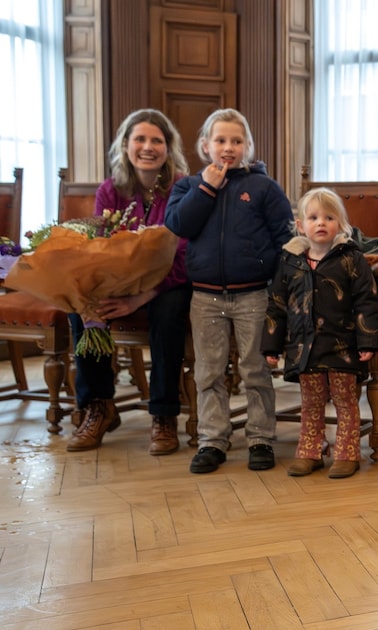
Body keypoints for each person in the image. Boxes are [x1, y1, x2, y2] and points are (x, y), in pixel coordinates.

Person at [165, 108, 293, 474]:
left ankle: (261, 438)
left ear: (248, 146)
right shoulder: (188, 187)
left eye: (237, 141)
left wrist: (281, 287)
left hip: (253, 294)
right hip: (205, 297)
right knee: (208, 372)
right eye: (220, 140)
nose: (228, 147)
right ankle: (212, 440)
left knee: (255, 369)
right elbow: (179, 225)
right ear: (205, 145)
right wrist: (207, 187)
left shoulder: (264, 187)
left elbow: (285, 237)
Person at [65, 109, 192, 455]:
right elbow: (102, 248)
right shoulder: (111, 190)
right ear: (125, 144)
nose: (148, 147)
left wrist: (141, 298)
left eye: (157, 140)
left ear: (168, 148)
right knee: (82, 305)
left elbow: (182, 255)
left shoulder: (182, 187)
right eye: (140, 139)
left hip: (169, 282)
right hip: (122, 281)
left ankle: (164, 415)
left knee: (168, 312)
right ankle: (98, 406)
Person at [262, 187, 378, 479]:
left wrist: (367, 340)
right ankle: (311, 450)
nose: (321, 223)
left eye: (329, 217)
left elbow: (367, 300)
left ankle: (347, 451)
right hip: (304, 347)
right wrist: (271, 346)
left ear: (340, 224)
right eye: (313, 217)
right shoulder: (290, 260)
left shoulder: (351, 258)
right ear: (301, 225)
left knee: (345, 400)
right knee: (311, 402)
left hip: (342, 345)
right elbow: (277, 304)